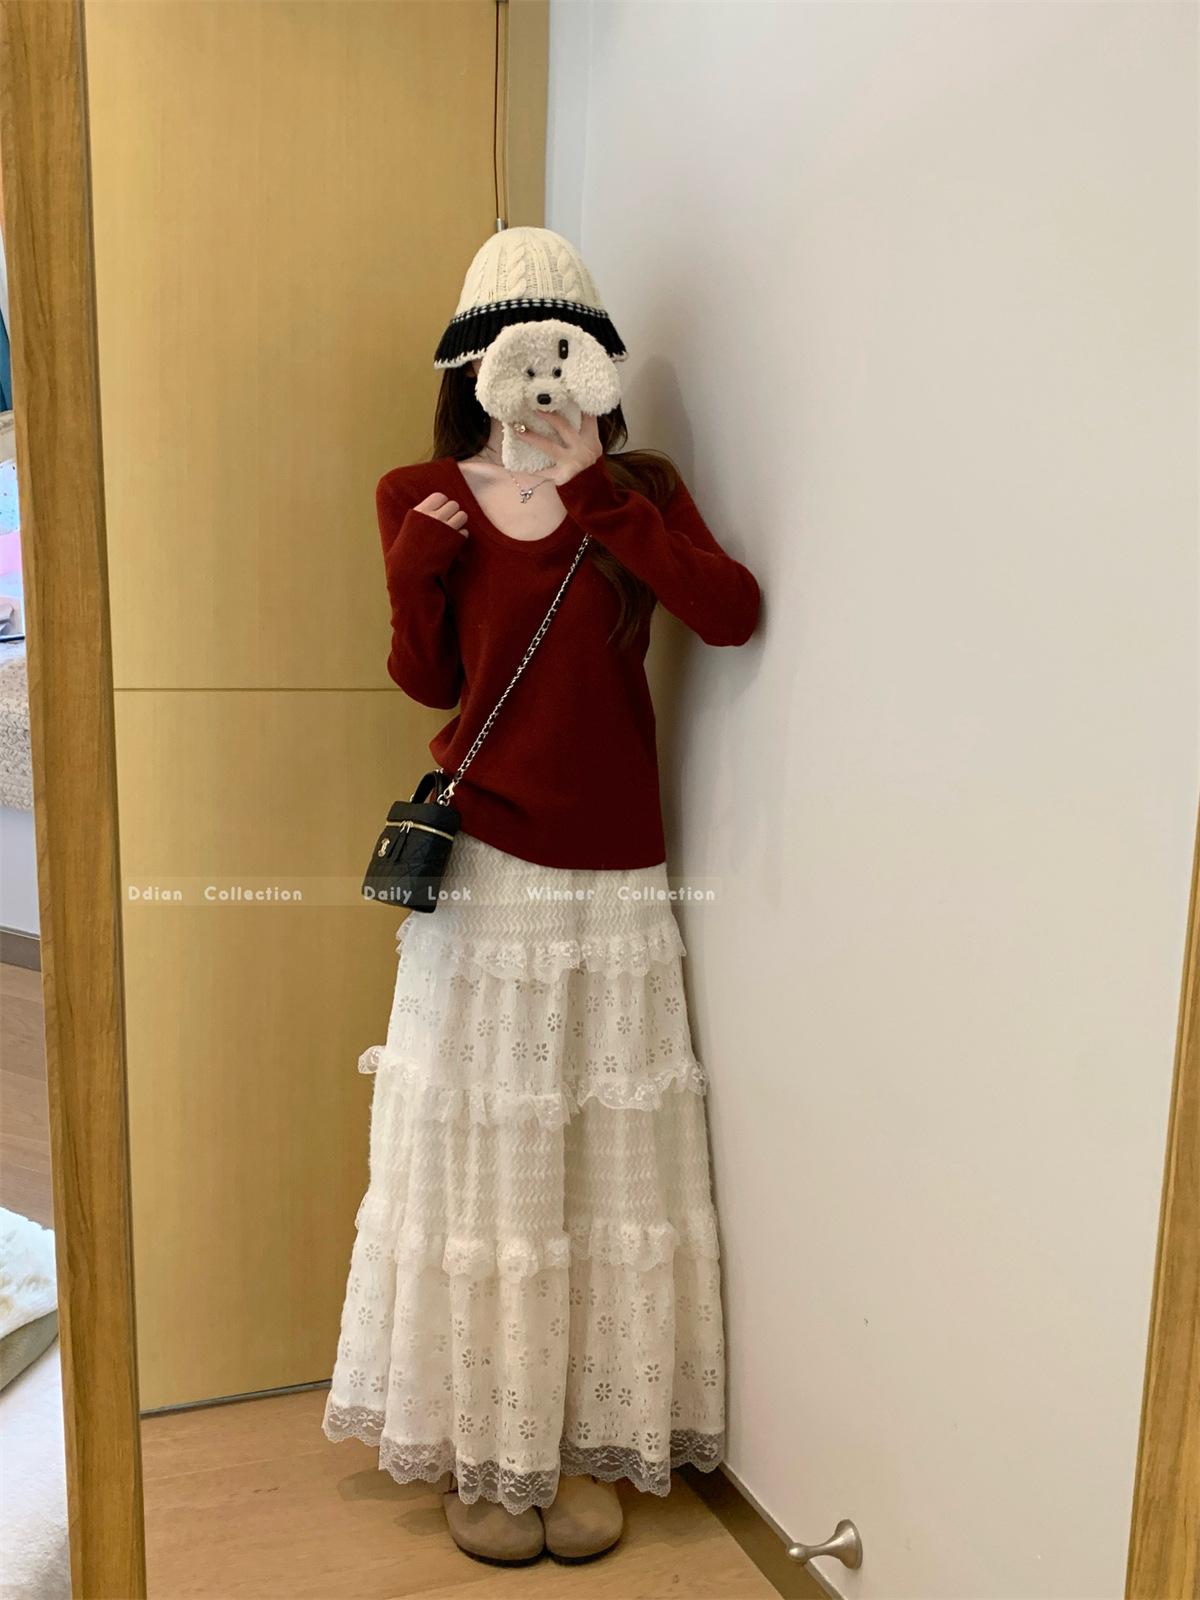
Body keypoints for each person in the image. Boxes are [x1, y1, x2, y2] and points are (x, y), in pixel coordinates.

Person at [323, 226, 761, 1565]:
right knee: (488, 1163)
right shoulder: (422, 492)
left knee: (591, 1162)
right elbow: (427, 680)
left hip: (617, 870)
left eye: (565, 353)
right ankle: (485, 1452)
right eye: (517, 354)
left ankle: (571, 1441)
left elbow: (729, 611)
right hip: (490, 869)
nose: (542, 379)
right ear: (475, 366)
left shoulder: (640, 488)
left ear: (596, 361)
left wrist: (601, 494)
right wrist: (416, 569)